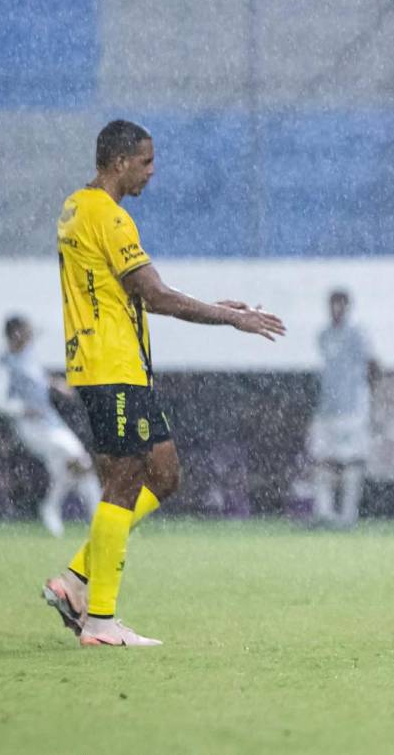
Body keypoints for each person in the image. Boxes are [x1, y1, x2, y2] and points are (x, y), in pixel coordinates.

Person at [42, 119, 286, 647]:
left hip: (114, 365)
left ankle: (76, 581)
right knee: (124, 482)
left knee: (165, 473)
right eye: (146, 162)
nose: (153, 172)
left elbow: (131, 292)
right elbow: (154, 296)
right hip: (111, 367)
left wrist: (212, 306)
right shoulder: (110, 218)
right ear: (120, 161)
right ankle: (101, 621)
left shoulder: (76, 206)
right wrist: (233, 320)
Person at [0, 315, 101, 537]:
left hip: (51, 422)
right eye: (26, 332)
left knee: (72, 469)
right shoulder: (5, 363)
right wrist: (23, 409)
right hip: (32, 428)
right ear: (15, 334)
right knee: (78, 458)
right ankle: (95, 517)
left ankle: (53, 508)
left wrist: (55, 384)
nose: (30, 337)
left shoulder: (29, 358)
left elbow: (37, 380)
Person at [311, 289, 377, 528]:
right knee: (322, 459)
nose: (336, 309)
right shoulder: (323, 335)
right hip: (327, 406)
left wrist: (366, 396)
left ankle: (349, 516)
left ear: (348, 307)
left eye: (340, 304)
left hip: (352, 407)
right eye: (333, 304)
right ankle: (324, 513)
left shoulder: (357, 334)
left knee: (351, 460)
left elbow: (373, 365)